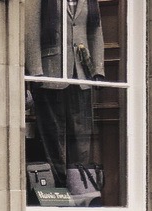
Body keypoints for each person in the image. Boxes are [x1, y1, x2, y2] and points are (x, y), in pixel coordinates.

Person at [24, 0, 105, 187]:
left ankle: (80, 184)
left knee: (82, 135)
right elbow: (31, 28)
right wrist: (36, 70)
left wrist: (98, 70)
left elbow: (95, 31)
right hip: (51, 73)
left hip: (82, 74)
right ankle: (57, 186)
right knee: (53, 134)